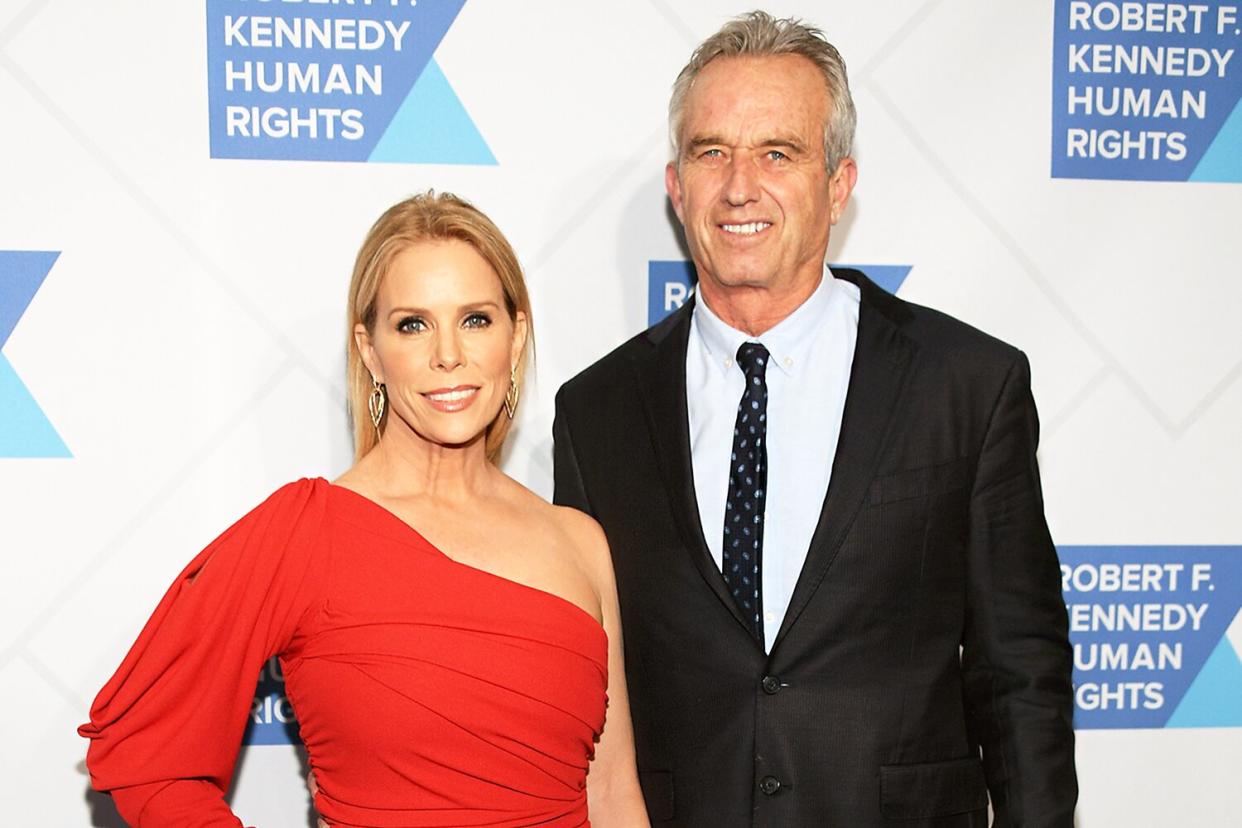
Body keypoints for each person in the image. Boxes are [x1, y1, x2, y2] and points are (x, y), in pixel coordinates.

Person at [552, 11, 1076, 827]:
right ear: (676, 184)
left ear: (838, 185)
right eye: (711, 151)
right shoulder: (596, 412)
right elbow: (586, 692)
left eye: (778, 152)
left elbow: (1020, 678)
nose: (738, 185)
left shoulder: (966, 386)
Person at [80, 191, 649, 827]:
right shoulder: (306, 533)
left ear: (515, 338)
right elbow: (147, 753)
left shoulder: (579, 543)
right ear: (371, 350)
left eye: (476, 319)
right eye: (413, 324)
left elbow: (613, 793)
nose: (447, 355)